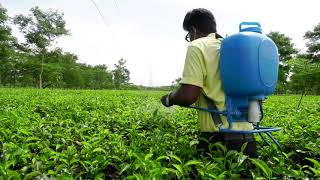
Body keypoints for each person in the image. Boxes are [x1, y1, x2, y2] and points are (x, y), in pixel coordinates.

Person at [160, 8, 257, 158]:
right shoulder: (232, 48)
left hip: (217, 140)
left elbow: (188, 96)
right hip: (248, 139)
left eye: (188, 35)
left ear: (193, 30)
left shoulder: (198, 46)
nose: (190, 38)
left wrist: (169, 98)